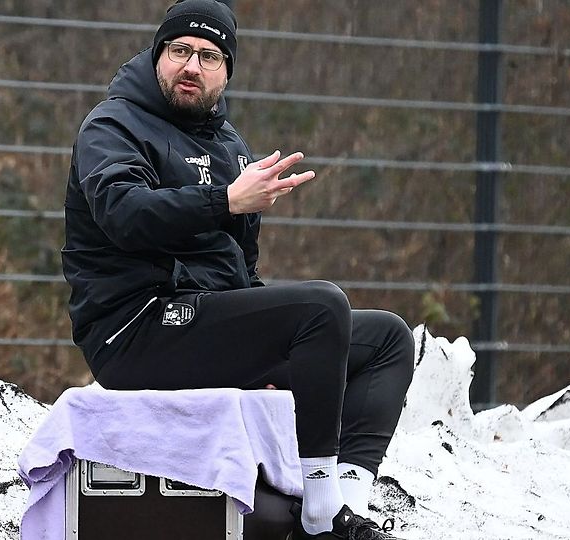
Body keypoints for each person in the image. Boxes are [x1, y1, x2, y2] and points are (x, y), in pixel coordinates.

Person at [60, 1, 414, 538]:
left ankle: (344, 500)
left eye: (209, 56)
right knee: (322, 305)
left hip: (205, 324)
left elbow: (241, 274)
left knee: (385, 337)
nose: (191, 66)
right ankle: (319, 513)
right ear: (157, 57)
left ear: (226, 72)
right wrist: (225, 199)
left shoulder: (230, 147)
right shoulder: (112, 125)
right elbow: (125, 215)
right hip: (137, 330)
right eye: (180, 50)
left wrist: (271, 342)